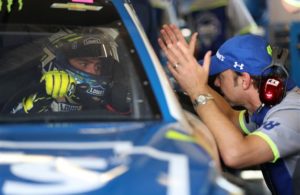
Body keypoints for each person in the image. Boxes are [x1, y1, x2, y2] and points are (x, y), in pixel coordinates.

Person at [158, 24, 300, 195]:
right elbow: (229, 118)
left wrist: (197, 91)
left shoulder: (291, 113)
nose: (216, 83)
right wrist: (194, 82)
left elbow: (236, 154)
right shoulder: (267, 104)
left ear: (245, 80)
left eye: (221, 77)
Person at [8, 30, 131, 114]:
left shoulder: (110, 102)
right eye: (83, 63)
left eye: (98, 67)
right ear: (54, 63)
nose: (92, 72)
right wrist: (42, 97)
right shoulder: (25, 92)